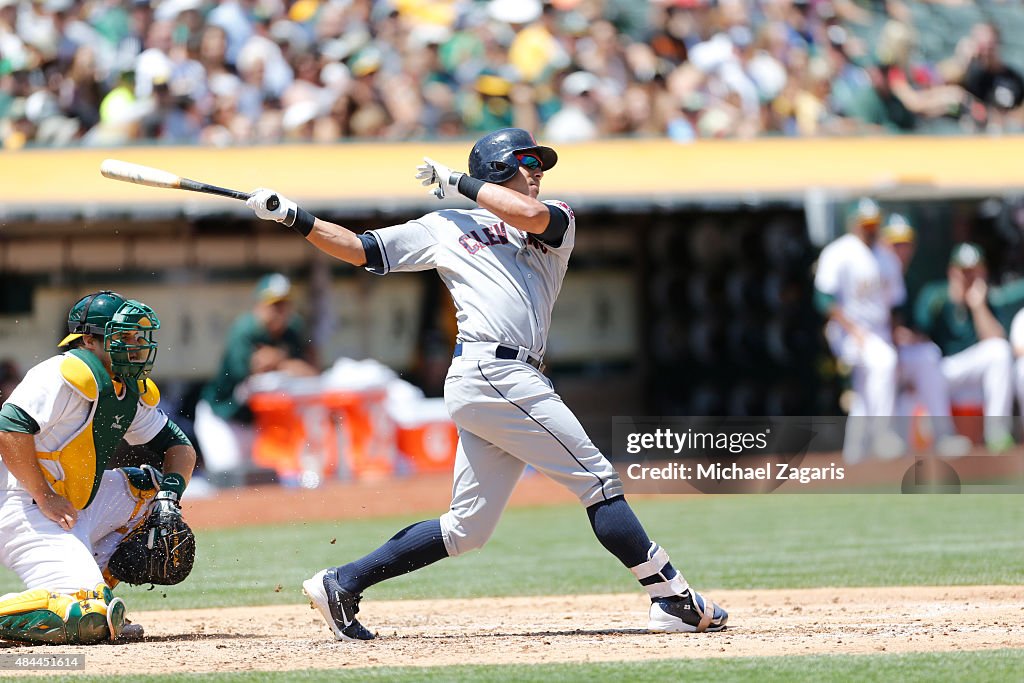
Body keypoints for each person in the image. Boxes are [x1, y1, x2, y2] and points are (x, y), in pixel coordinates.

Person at [245, 128, 728, 639]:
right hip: (493, 371)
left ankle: (342, 583)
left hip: (506, 376)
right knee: (599, 482)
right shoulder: (445, 225)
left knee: (465, 530)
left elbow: (530, 216)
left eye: (538, 161)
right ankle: (671, 598)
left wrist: (458, 181)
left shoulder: (555, 216)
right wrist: (293, 216)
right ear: (497, 168)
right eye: (526, 161)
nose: (537, 169)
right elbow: (362, 249)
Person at [0, 291, 196, 643]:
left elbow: (179, 449)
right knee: (87, 619)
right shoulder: (63, 373)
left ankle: (94, 581)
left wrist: (170, 499)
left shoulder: (125, 388)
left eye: (138, 337)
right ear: (88, 340)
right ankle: (86, 599)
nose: (135, 345)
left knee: (149, 491)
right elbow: (9, 427)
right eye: (123, 337)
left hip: (72, 503)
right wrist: (43, 495)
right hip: (22, 506)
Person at [193, 273, 318, 483]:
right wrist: (283, 364)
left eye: (285, 304)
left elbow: (311, 371)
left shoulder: (293, 329)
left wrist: (277, 360)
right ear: (259, 305)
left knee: (262, 482)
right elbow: (249, 373)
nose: (280, 311)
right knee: (228, 477)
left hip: (258, 422)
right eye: (274, 305)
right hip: (224, 415)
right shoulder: (245, 330)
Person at [914, 244, 1016, 452]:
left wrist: (978, 306)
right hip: (941, 371)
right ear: (953, 271)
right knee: (926, 357)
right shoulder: (936, 295)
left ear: (983, 272)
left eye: (974, 271)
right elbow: (919, 337)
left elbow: (997, 340)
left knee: (999, 351)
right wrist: (955, 296)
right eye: (964, 271)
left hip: (972, 372)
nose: (968, 276)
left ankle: (997, 433)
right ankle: (944, 437)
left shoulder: (987, 298)